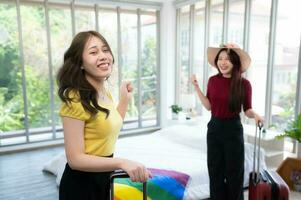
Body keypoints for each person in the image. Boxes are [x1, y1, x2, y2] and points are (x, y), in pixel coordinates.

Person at [57, 30, 151, 200]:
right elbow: (75, 159)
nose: (103, 56)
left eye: (105, 50)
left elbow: (110, 128)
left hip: (102, 178)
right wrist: (122, 162)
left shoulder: (102, 92)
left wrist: (124, 100)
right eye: (93, 52)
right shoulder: (74, 97)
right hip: (81, 186)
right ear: (80, 63)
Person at [191, 44, 264, 200]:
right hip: (214, 129)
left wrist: (256, 115)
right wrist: (197, 88)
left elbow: (247, 109)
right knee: (215, 171)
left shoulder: (244, 84)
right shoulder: (212, 81)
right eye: (220, 59)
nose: (223, 62)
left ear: (235, 62)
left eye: (228, 59)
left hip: (233, 129)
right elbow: (209, 106)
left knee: (234, 173)